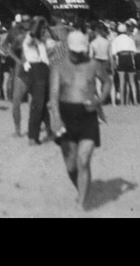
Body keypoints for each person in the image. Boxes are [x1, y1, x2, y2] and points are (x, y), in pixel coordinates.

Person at [49, 30, 112, 209]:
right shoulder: (58, 66)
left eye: (81, 51)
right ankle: (81, 190)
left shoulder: (93, 65)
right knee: (71, 166)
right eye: (75, 51)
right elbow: (53, 96)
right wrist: (56, 118)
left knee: (83, 160)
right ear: (68, 48)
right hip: (66, 115)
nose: (78, 54)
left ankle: (82, 204)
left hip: (88, 115)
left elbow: (107, 82)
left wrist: (100, 100)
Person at [22, 16, 54, 144]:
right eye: (40, 28)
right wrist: (39, 21)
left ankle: (49, 130)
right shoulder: (29, 40)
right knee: (38, 104)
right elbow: (32, 33)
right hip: (36, 69)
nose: (42, 30)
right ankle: (32, 136)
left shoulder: (41, 42)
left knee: (44, 102)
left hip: (44, 69)